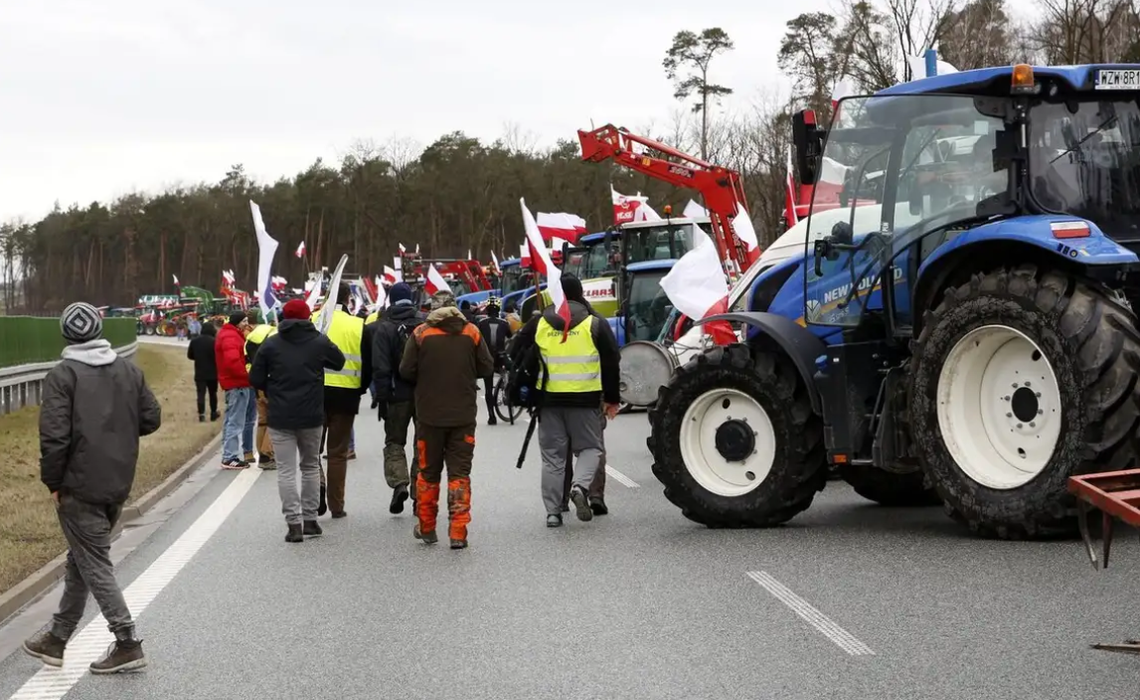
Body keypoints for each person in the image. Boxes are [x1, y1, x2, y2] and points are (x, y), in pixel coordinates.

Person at [23, 302, 161, 673]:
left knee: (95, 564)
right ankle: (57, 637)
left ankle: (127, 641)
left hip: (78, 484)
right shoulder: (129, 371)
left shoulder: (63, 375)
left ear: (66, 335)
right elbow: (152, 418)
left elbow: (53, 437)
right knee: (81, 561)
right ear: (99, 330)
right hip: (118, 481)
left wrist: (53, 482)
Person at [509, 274, 621, 527]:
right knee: (591, 449)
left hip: (548, 402)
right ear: (581, 292)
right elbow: (612, 361)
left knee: (553, 458)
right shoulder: (594, 324)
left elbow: (514, 352)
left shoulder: (540, 323)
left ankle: (553, 512)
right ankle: (581, 487)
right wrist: (612, 398)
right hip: (586, 401)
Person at [400, 289, 494, 549]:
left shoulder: (420, 334)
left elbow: (406, 370)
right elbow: (487, 367)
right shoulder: (471, 332)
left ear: (432, 309)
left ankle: (427, 528)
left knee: (428, 473)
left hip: (429, 416)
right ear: (454, 308)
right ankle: (458, 532)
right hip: (463, 415)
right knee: (460, 473)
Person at [249, 299, 345, 543]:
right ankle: (311, 520)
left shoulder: (271, 345)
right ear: (307, 318)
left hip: (281, 415)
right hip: (312, 414)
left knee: (286, 470)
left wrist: (273, 388)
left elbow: (256, 378)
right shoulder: (319, 342)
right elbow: (340, 362)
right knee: (310, 466)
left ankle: (293, 524)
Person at [371, 282, 423, 513]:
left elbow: (380, 366)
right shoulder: (424, 323)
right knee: (422, 443)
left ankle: (399, 483)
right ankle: (420, 494)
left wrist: (382, 397)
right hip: (424, 394)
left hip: (396, 394)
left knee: (394, 442)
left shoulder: (384, 327)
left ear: (390, 300)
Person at [322, 282, 373, 518]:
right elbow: (368, 364)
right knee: (337, 453)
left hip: (315, 392)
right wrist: (360, 389)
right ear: (348, 298)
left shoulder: (314, 320)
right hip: (347, 394)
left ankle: (314, 495)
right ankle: (336, 505)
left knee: (312, 451)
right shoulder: (358, 324)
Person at [215, 311, 254, 469]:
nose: (246, 323)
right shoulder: (231, 337)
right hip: (237, 384)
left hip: (234, 383)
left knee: (231, 419)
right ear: (237, 322)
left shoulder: (230, 334)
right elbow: (233, 361)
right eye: (244, 321)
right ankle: (230, 456)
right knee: (236, 422)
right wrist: (247, 376)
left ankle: (228, 454)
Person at [245, 317, 278, 469]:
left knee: (262, 421)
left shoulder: (248, 340)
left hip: (256, 384)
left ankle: (261, 454)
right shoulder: (274, 335)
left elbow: (248, 364)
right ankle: (267, 454)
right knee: (276, 420)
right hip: (272, 383)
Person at [475, 296, 513, 425]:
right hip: (501, 358)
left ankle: (491, 416)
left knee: (488, 388)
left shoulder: (481, 323)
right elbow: (510, 338)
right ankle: (507, 389)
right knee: (511, 371)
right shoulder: (504, 323)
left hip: (486, 358)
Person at [187, 320, 219, 422]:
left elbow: (190, 355)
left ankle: (201, 414)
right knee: (212, 393)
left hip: (200, 372)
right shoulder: (214, 341)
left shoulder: (195, 341)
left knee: (200, 394)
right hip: (213, 372)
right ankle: (213, 413)